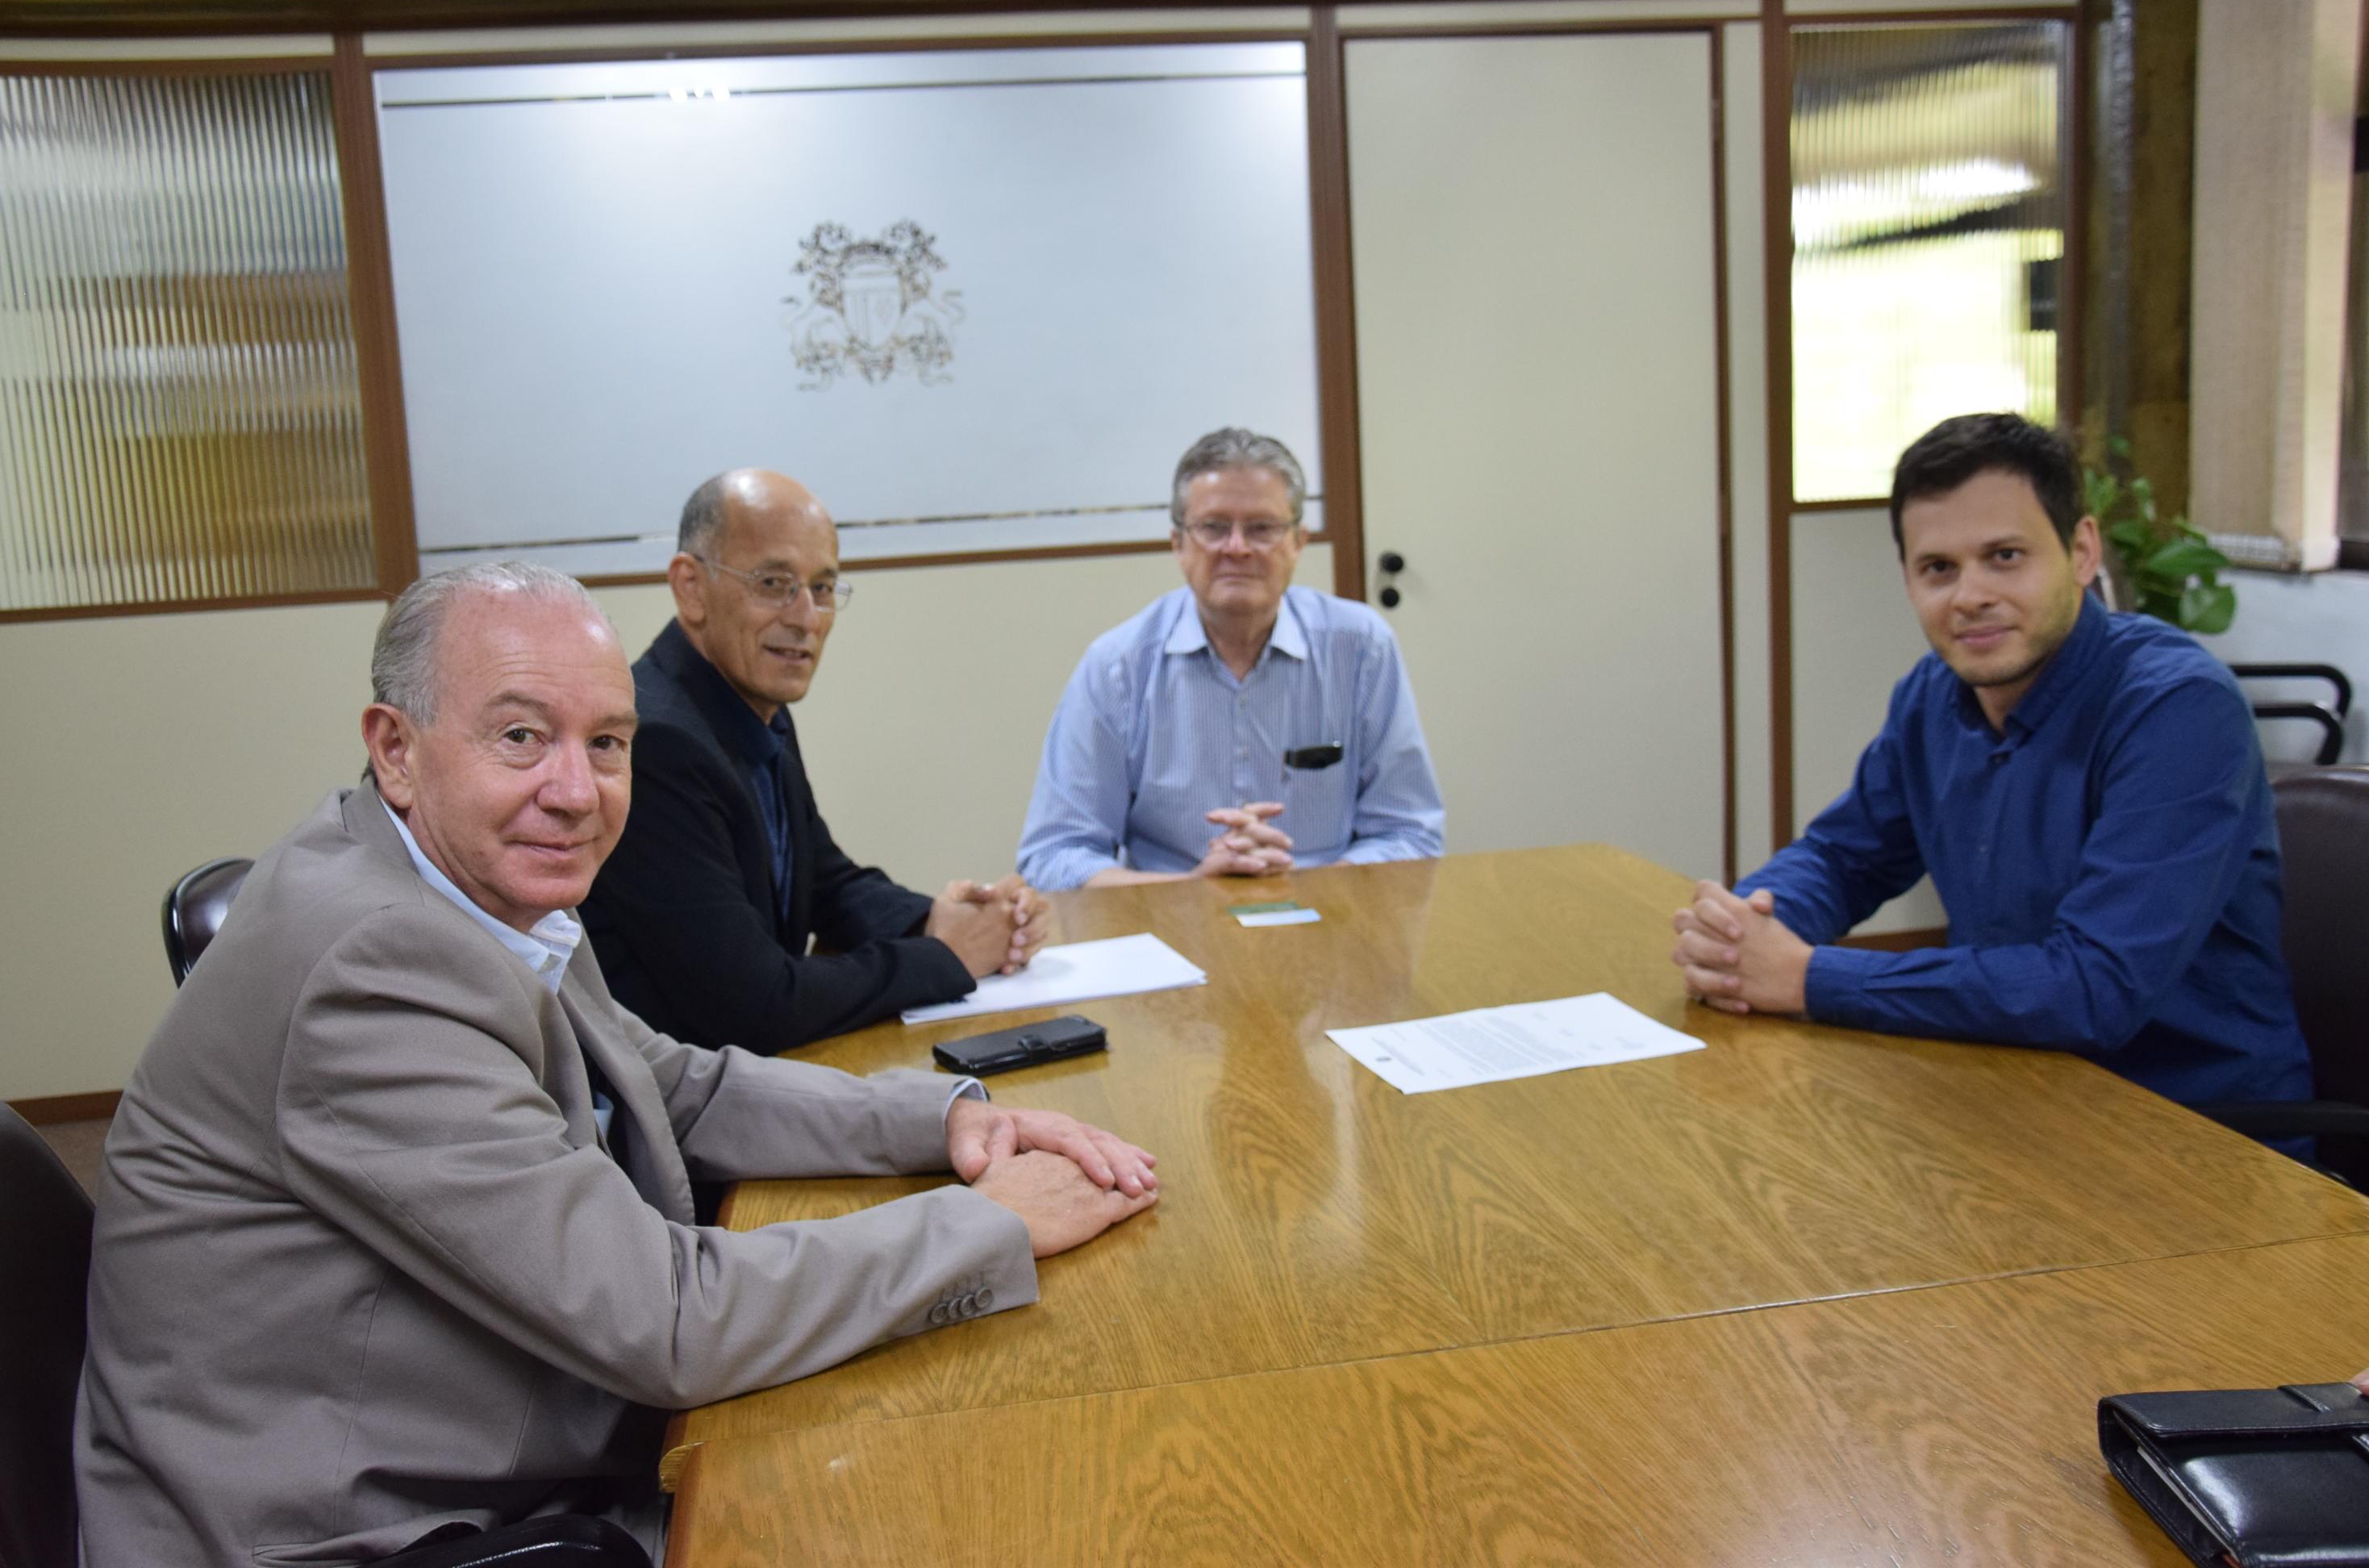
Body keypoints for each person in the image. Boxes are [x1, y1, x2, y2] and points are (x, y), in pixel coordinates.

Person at [76, 563, 1157, 1566]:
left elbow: (672, 1083)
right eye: (520, 736)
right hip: (358, 1529)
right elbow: (666, 1324)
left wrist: (944, 1122)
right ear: (395, 749)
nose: (577, 790)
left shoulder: (465, 875)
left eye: (607, 742)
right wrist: (993, 1223)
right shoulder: (374, 963)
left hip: (456, 1437)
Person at [1667, 413, 2311, 1111]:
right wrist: (1744, 930)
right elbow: (1843, 857)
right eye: (1938, 568)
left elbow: (2094, 989)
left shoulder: (2178, 710)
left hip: (2199, 1134)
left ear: (2083, 551)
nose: (1970, 595)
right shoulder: (1934, 693)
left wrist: (1805, 977)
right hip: (2016, 1093)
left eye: (2005, 556)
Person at [581, 470, 1048, 1055]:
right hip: (663, 1122)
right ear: (690, 588)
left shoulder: (749, 703)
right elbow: (757, 1005)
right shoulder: (655, 743)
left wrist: (942, 918)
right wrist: (949, 956)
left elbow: (827, 882)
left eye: (823, 588)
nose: (806, 618)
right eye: (774, 582)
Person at [1017, 427, 1445, 889]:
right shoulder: (1118, 666)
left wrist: (1307, 888)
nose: (1237, 548)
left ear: (1298, 542)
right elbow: (1054, 855)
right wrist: (1197, 891)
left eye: (1262, 528)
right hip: (1169, 921)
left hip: (1334, 913)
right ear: (1178, 544)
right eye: (1214, 528)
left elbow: (1409, 833)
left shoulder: (1362, 648)